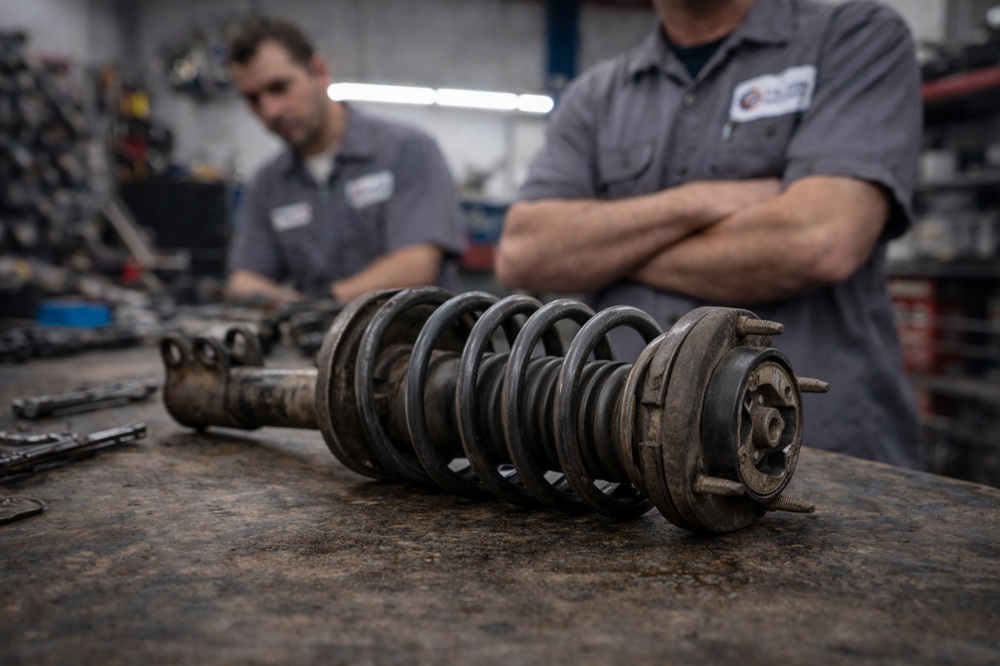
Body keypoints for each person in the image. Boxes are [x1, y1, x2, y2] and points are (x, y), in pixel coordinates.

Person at [495, 0, 924, 469]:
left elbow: (822, 240)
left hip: (812, 456)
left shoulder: (852, 37)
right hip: (623, 452)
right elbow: (523, 252)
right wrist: (701, 201)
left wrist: (607, 248)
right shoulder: (595, 95)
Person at [224, 18, 466, 304]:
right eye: (253, 99)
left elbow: (416, 264)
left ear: (319, 71)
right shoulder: (267, 184)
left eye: (279, 88)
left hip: (418, 341)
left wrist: (317, 305)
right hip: (320, 345)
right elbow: (243, 279)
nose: (270, 110)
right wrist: (287, 303)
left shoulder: (407, 149)